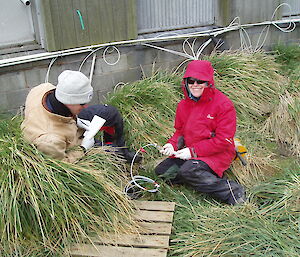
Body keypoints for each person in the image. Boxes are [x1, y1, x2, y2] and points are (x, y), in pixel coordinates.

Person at [155, 60, 246, 205]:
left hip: (217, 153)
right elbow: (180, 132)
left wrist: (192, 152)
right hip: (191, 151)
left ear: (208, 83)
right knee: (162, 171)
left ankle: (233, 191)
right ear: (186, 82)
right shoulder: (183, 105)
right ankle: (198, 178)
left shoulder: (223, 105)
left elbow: (224, 140)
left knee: (188, 170)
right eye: (191, 80)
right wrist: (172, 145)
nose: (195, 85)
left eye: (200, 81)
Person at [21, 70, 140, 163]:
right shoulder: (50, 141)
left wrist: (76, 120)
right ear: (68, 100)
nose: (86, 106)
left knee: (111, 113)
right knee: (113, 155)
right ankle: (118, 154)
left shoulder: (43, 89)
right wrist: (83, 148)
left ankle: (122, 148)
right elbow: (63, 164)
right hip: (70, 144)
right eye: (82, 103)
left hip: (68, 120)